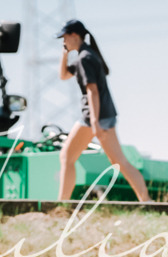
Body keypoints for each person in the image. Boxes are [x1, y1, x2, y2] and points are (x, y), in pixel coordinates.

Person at [56, 19, 150, 203]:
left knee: (67, 157)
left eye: (64, 38)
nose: (63, 41)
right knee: (119, 162)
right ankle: (146, 201)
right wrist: (64, 54)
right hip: (104, 116)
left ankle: (62, 204)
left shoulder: (84, 59)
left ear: (74, 36)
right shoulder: (87, 55)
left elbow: (93, 91)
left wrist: (94, 124)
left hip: (94, 117)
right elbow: (64, 75)